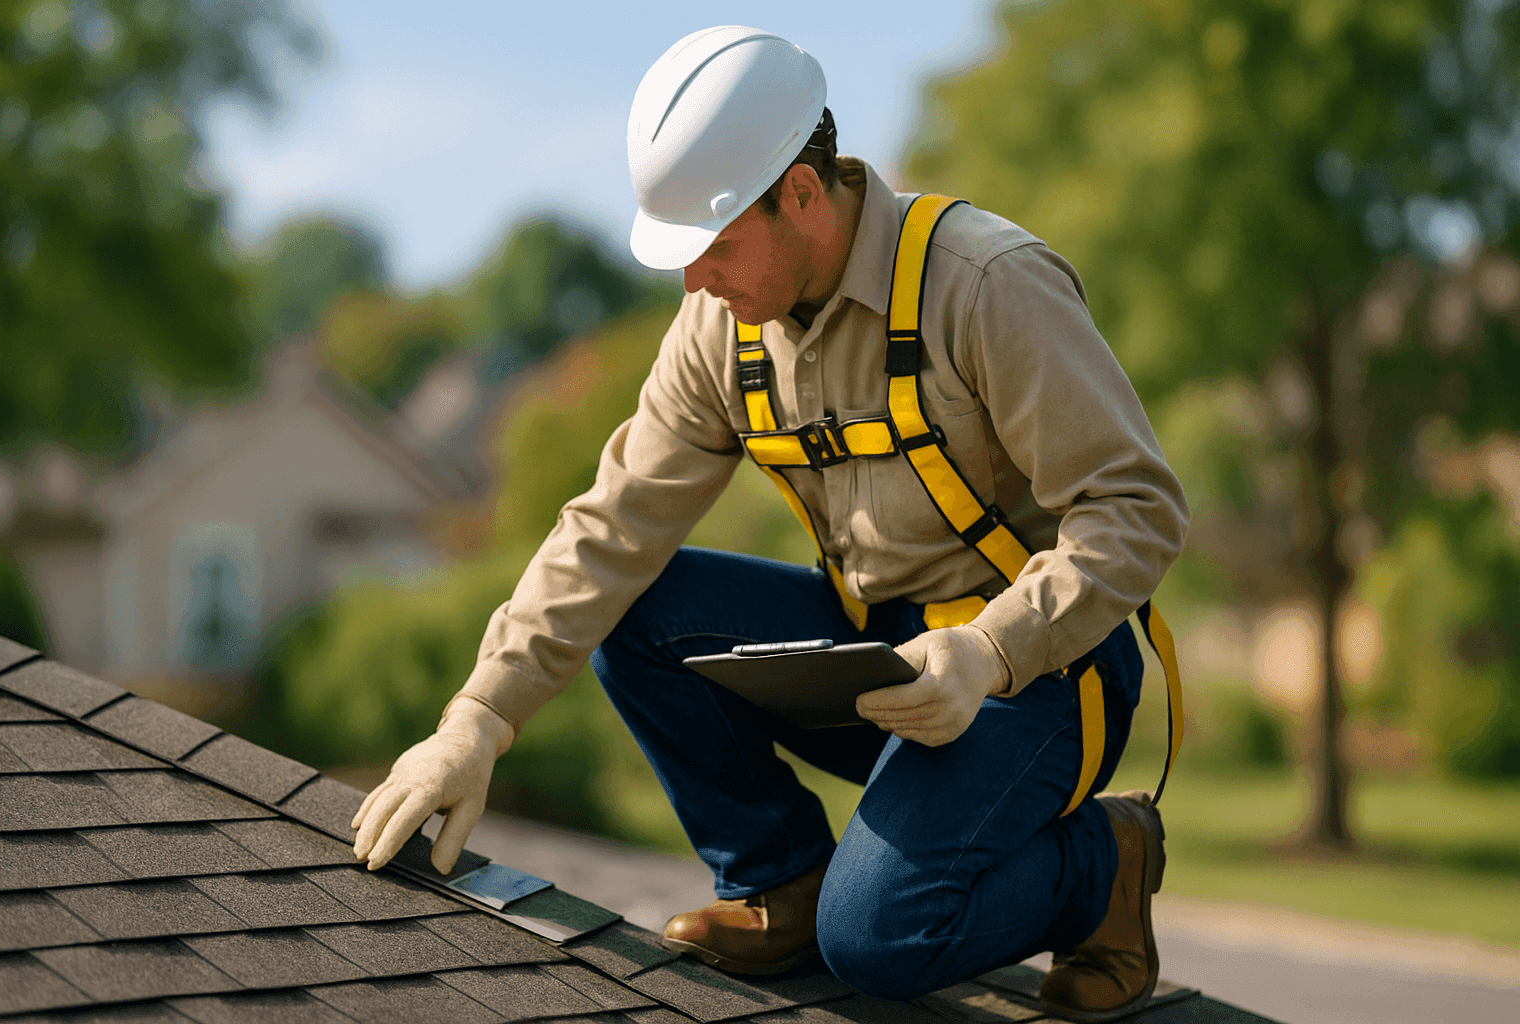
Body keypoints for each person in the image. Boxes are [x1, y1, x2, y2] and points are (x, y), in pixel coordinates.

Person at [351, 25, 1189, 1023]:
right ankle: (779, 878)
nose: (693, 283)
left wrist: (986, 652)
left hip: (1043, 675)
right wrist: (476, 721)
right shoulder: (721, 325)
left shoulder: (985, 285)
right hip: (880, 659)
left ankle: (1106, 861)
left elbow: (1135, 513)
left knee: (878, 942)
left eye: (712, 248)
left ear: (801, 191)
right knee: (638, 599)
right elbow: (610, 525)